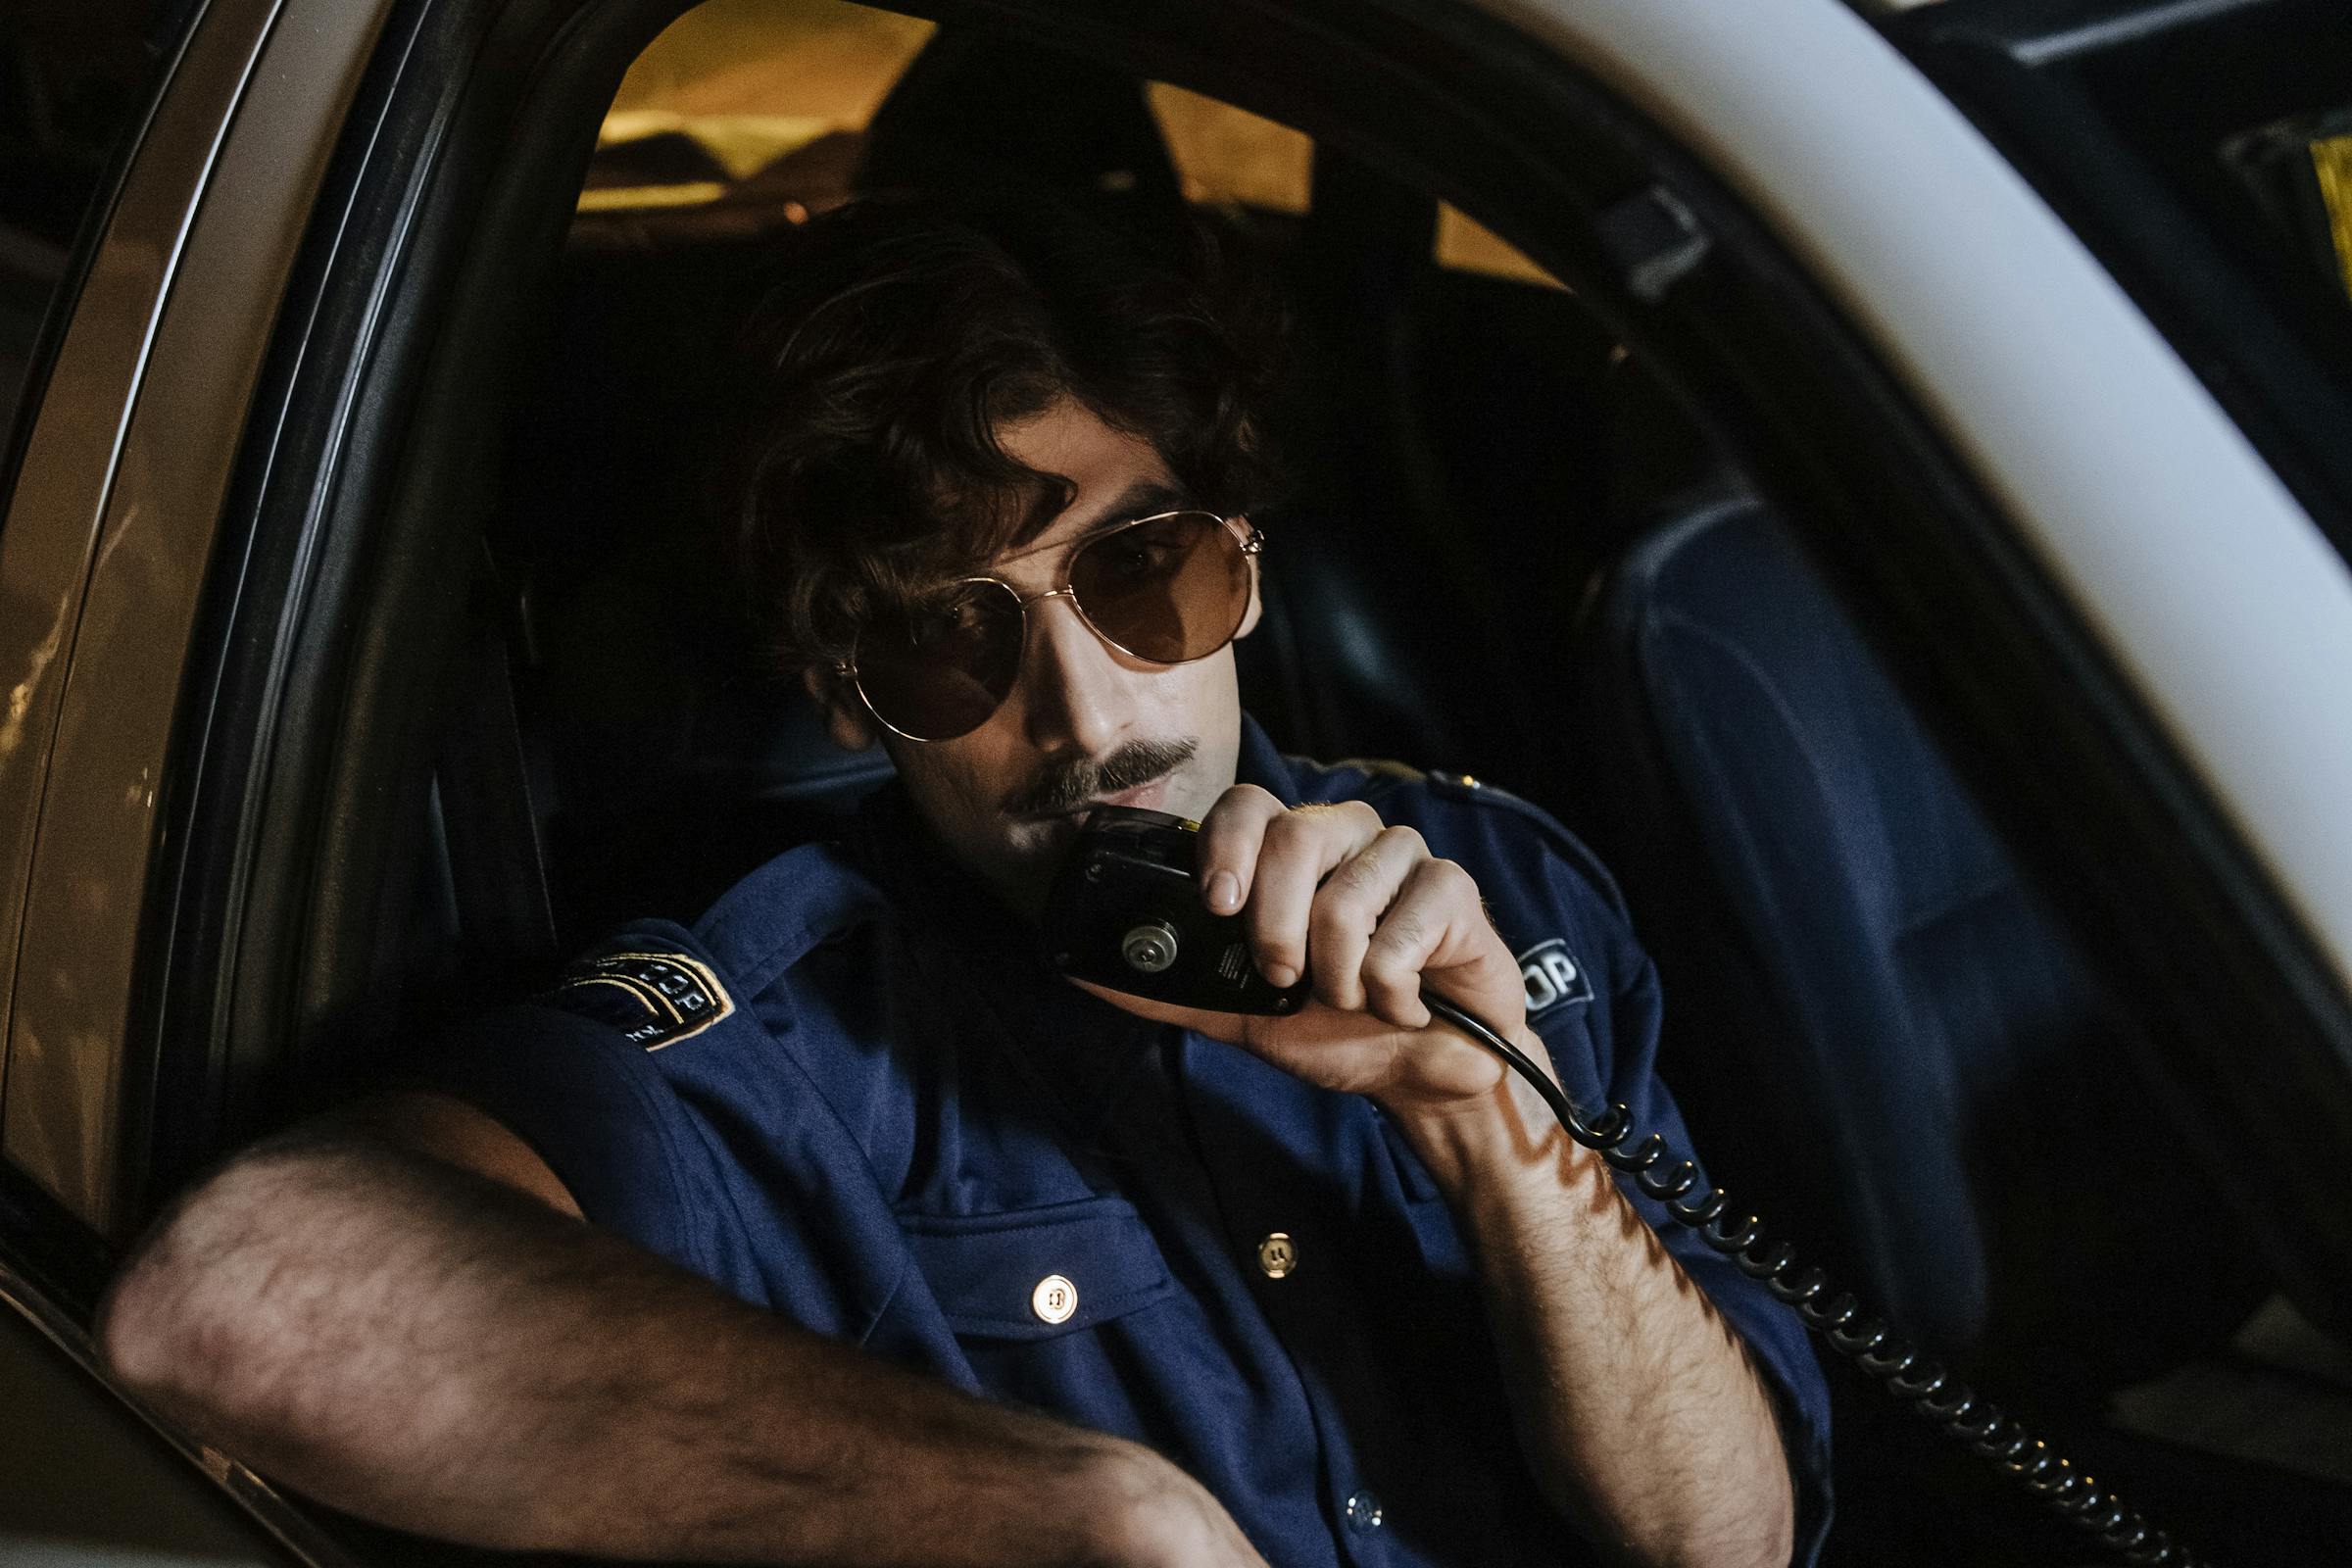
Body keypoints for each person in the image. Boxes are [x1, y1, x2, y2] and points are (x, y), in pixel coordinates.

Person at [98, 194, 1831, 1568]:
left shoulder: (1501, 886)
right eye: (953, 642)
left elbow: (1727, 1539)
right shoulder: (791, 1049)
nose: (1090, 715)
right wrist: (1096, 1524)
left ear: (1244, 562)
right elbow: (238, 1294)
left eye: (1144, 575)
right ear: (850, 696)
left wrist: (1483, 1119)